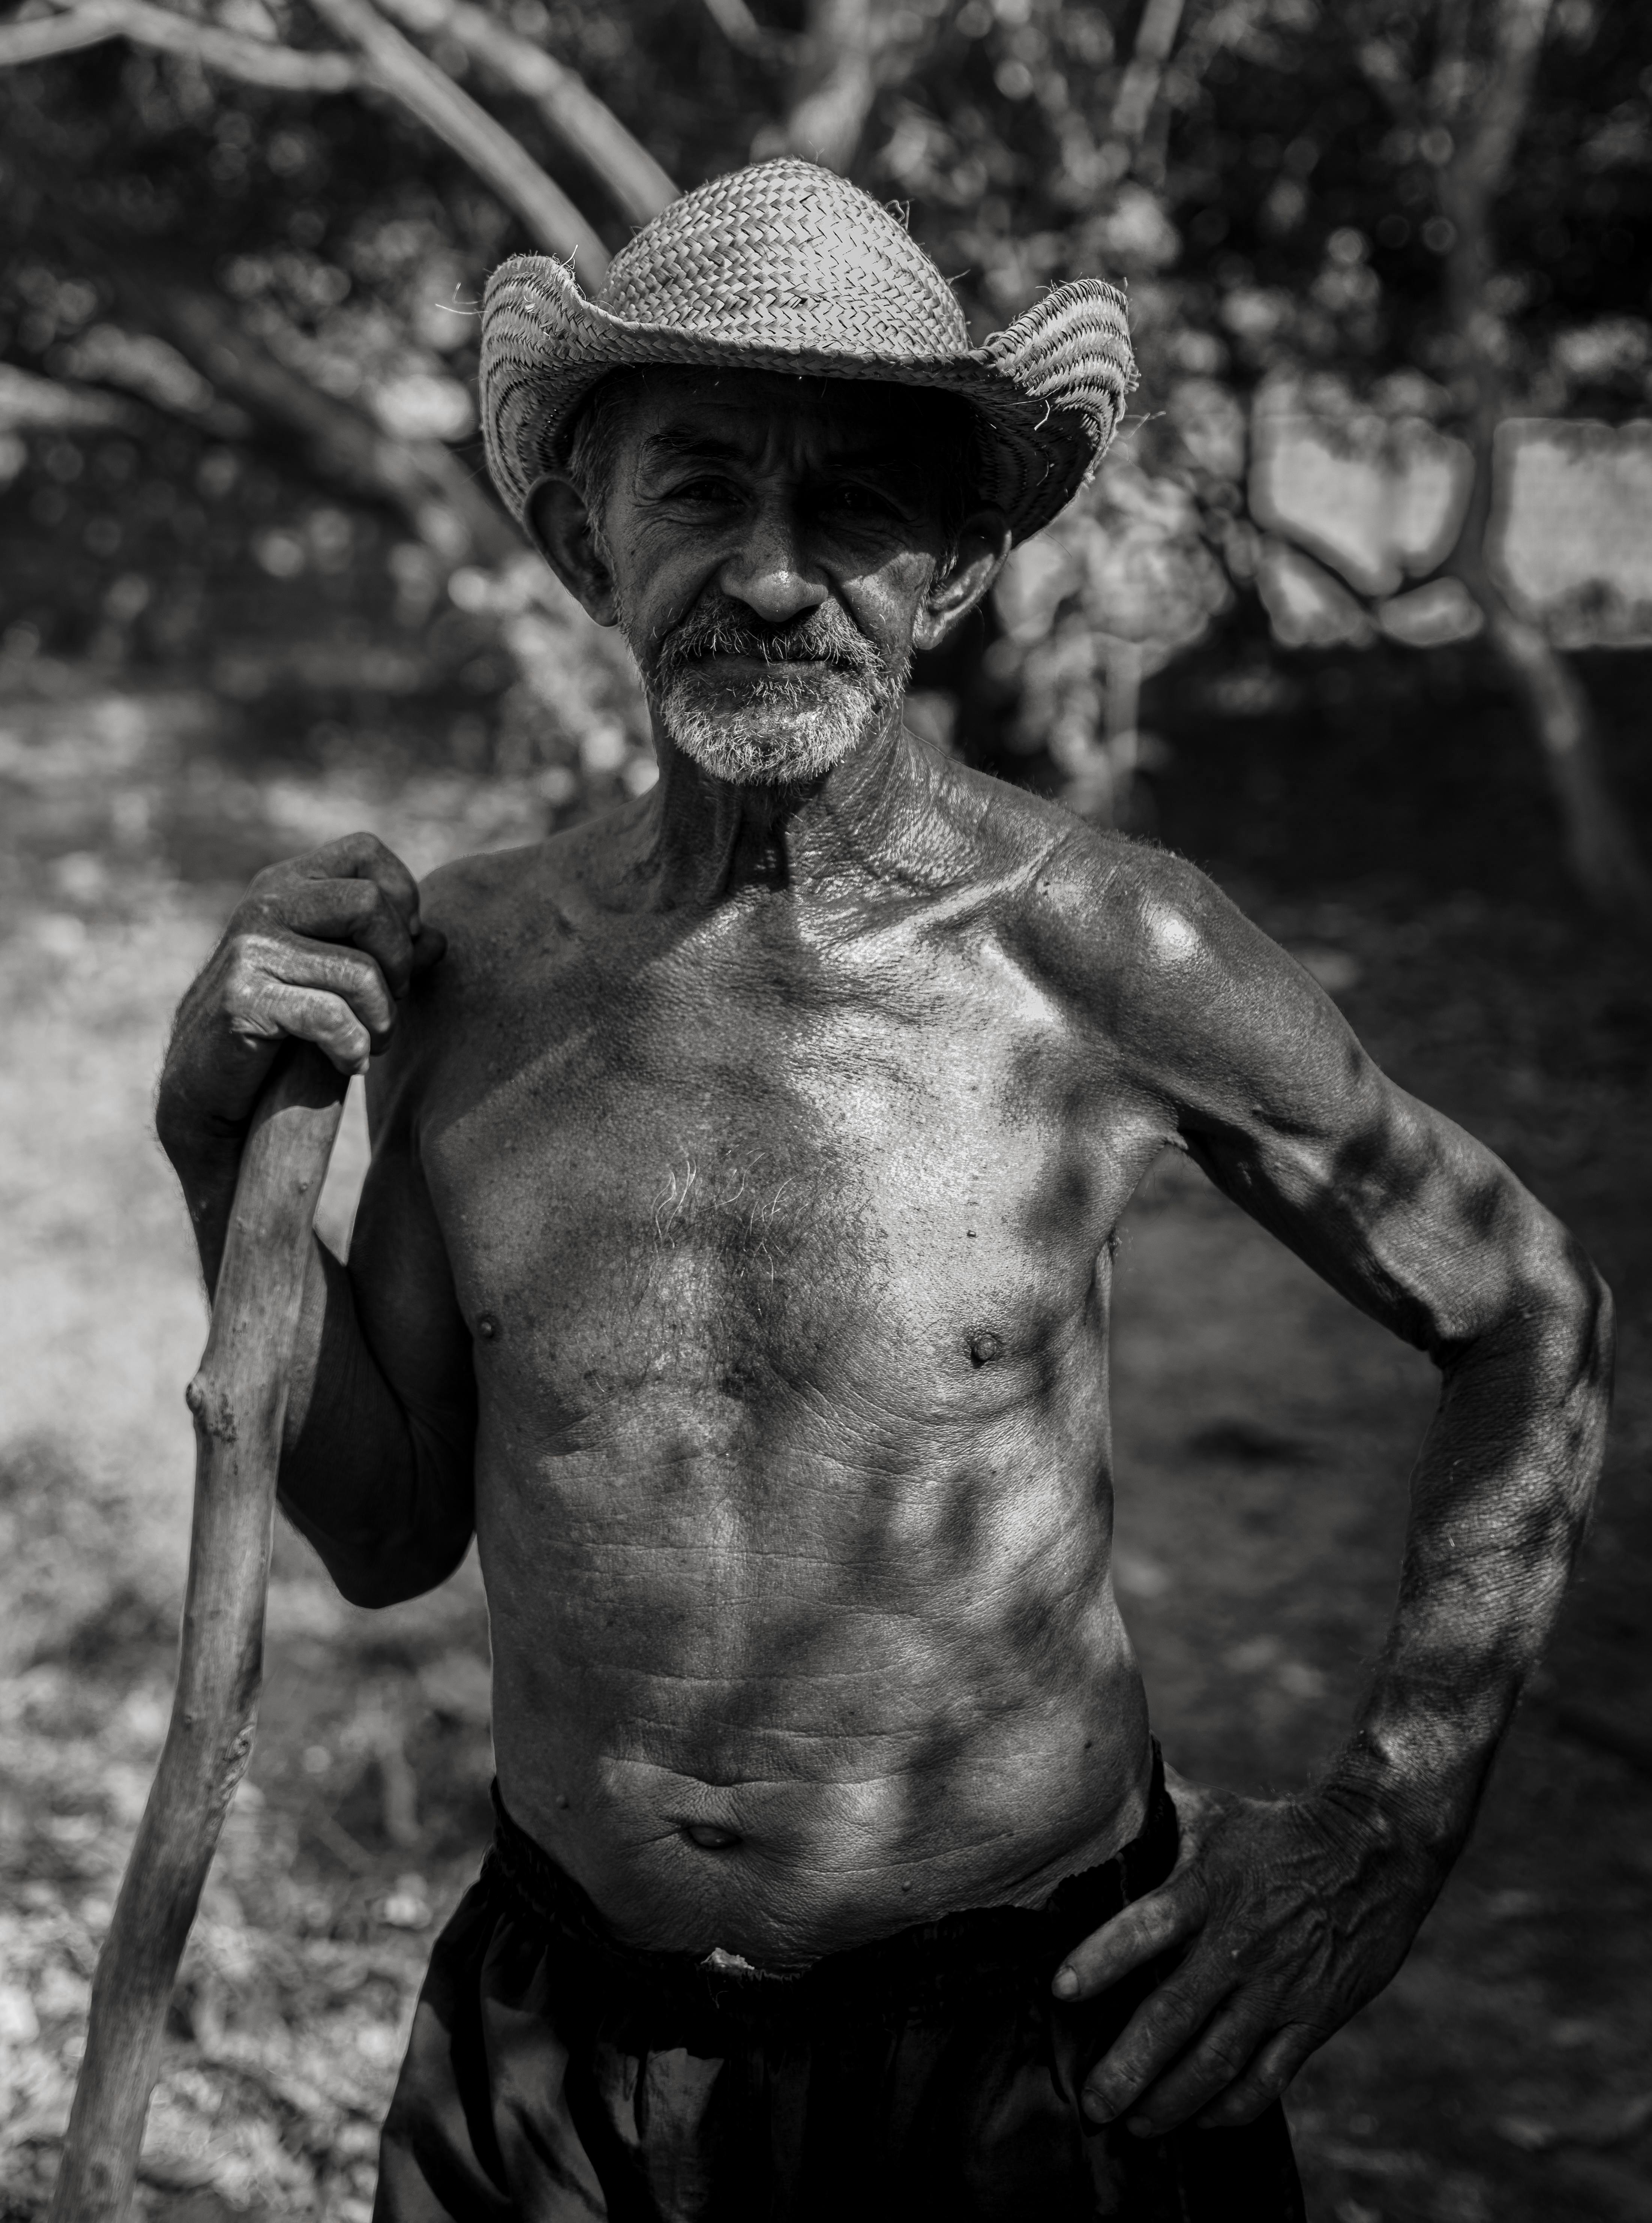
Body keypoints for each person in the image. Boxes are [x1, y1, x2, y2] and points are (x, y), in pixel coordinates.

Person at [156, 161, 1611, 2223]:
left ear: (952, 571)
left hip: (1022, 2051)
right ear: (589, 539)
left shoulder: (1105, 951)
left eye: (851, 502)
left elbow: (1525, 1303)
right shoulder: (465, 975)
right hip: (558, 2053)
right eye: (697, 492)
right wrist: (219, 1158)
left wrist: (1384, 1825)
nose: (768, 574)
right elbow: (387, 1529)